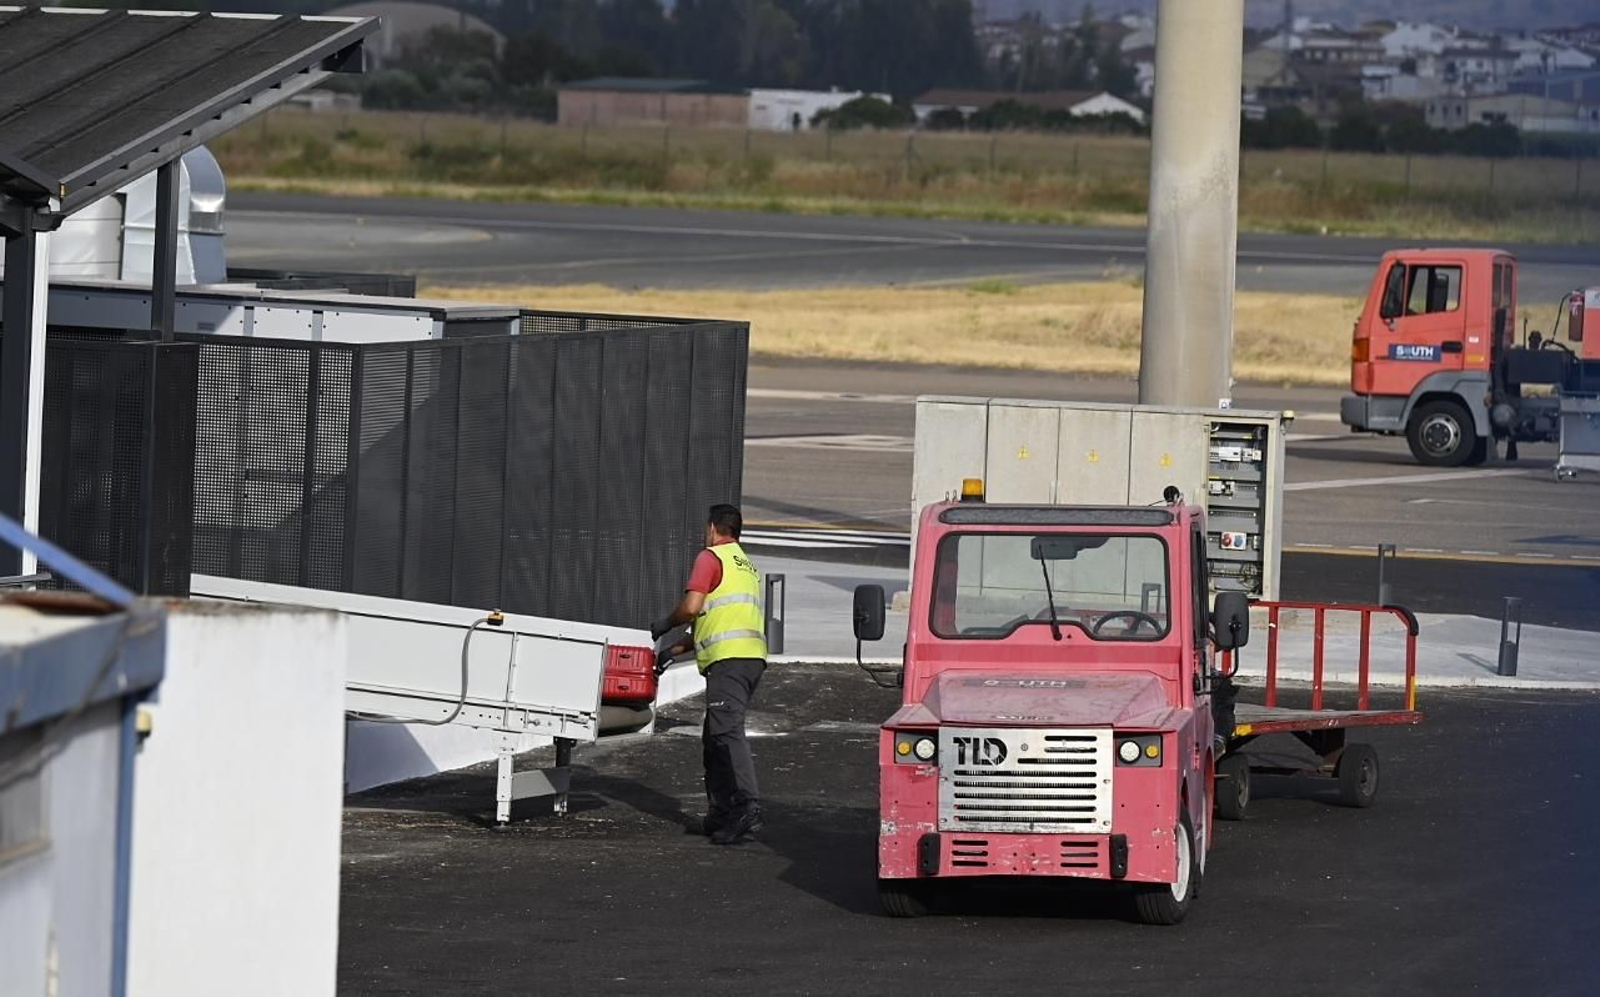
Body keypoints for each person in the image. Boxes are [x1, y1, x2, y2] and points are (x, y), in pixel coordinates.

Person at [652, 503, 767, 845]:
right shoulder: (745, 565)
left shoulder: (710, 557)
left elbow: (692, 608)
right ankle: (721, 813)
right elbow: (718, 620)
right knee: (714, 737)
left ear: (713, 528)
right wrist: (673, 653)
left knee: (727, 733)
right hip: (749, 659)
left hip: (729, 662)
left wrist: (663, 625)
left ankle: (746, 807)